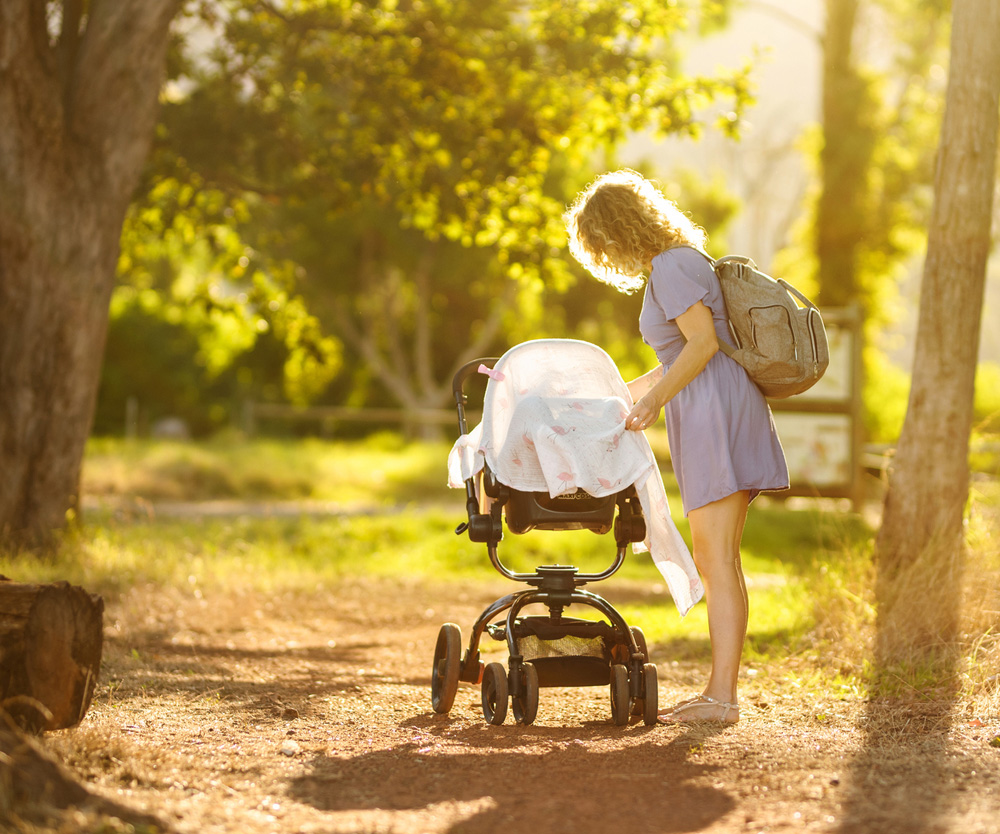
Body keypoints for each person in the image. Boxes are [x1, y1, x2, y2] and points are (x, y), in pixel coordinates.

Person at [564, 169, 789, 724]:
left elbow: (704, 344)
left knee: (715, 561)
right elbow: (678, 356)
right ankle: (721, 693)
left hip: (714, 412)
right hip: (712, 406)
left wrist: (655, 401)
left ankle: (722, 698)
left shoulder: (670, 265)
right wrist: (614, 397)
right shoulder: (677, 262)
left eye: (601, 244)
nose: (606, 257)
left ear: (617, 229)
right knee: (721, 560)